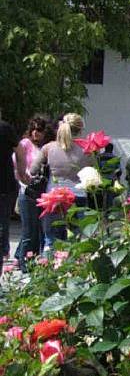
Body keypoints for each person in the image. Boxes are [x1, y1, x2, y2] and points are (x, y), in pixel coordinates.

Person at [30, 113, 93, 250]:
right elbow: (93, 173)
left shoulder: (49, 147)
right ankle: (73, 270)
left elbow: (33, 170)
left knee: (51, 240)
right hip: (78, 197)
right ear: (80, 129)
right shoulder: (86, 150)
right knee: (75, 241)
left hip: (54, 197)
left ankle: (48, 267)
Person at [13, 116, 51, 271]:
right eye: (33, 129)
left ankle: (24, 257)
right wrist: (23, 183)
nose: (36, 133)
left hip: (40, 190)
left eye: (40, 130)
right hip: (26, 188)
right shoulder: (24, 144)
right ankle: (23, 262)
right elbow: (17, 167)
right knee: (29, 228)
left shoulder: (45, 147)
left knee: (36, 228)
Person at [0, 111, 19, 271]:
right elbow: (18, 150)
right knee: (3, 221)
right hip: (5, 183)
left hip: (6, 184)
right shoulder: (5, 128)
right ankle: (4, 251)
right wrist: (20, 171)